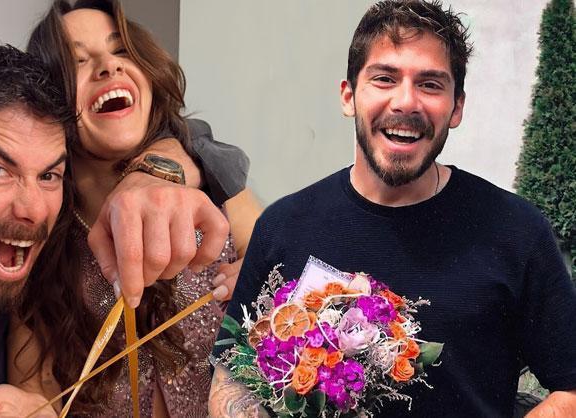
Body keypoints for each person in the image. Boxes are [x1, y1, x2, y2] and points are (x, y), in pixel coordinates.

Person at [0, 41, 247, 417]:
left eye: (49, 175)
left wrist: (154, 170)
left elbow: (188, 135)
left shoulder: (42, 250)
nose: (33, 210)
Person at [209, 1, 576, 417]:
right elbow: (231, 378)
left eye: (430, 84)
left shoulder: (516, 231)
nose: (405, 102)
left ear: (456, 107)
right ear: (349, 96)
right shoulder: (282, 227)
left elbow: (570, 387)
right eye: (384, 78)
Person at [7, 1, 262, 417]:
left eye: (121, 50)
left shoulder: (214, 187)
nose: (109, 66)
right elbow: (35, 394)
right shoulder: (43, 249)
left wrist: (261, 282)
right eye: (78, 61)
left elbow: (285, 267)